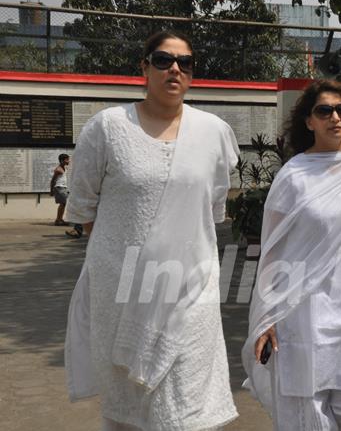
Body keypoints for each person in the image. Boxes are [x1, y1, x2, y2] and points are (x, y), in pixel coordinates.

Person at [64, 31, 239, 430]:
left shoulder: (212, 131)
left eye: (185, 62)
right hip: (123, 293)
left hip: (191, 289)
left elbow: (210, 214)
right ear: (144, 67)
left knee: (188, 407)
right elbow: (85, 208)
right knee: (132, 410)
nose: (174, 68)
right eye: (163, 60)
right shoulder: (107, 127)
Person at [242, 80, 341, 431]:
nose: (335, 118)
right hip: (302, 309)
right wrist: (267, 315)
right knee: (306, 409)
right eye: (324, 110)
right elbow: (273, 249)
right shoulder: (293, 175)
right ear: (309, 121)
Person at [50, 153, 84, 238]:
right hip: (59, 188)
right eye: (67, 159)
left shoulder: (64, 168)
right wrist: (51, 190)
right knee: (65, 203)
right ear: (62, 160)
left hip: (64, 188)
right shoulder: (58, 170)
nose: (68, 161)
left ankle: (59, 219)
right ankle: (58, 220)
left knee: (63, 204)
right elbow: (53, 180)